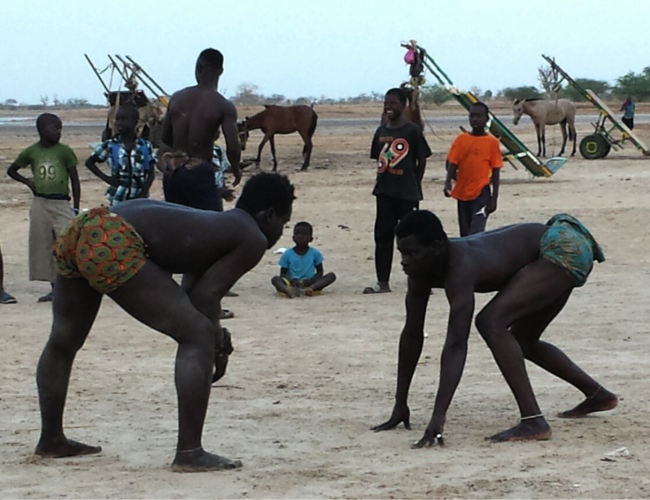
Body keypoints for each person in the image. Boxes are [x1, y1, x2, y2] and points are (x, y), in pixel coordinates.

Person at [34, 172, 295, 472]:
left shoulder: (215, 223)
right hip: (112, 237)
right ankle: (190, 452)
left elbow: (191, 297)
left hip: (83, 227)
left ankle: (51, 439)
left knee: (64, 340)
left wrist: (217, 337)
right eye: (283, 224)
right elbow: (205, 302)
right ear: (269, 215)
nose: (280, 232)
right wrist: (214, 342)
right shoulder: (252, 237)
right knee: (197, 336)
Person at [372, 210, 618, 445]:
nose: (404, 261)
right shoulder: (419, 271)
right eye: (402, 253)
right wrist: (400, 402)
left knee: (491, 322)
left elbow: (457, 343)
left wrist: (438, 416)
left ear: (435, 248)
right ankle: (598, 395)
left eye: (412, 253)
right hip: (557, 247)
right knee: (523, 339)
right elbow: (412, 334)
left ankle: (534, 421)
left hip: (562, 248)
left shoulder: (461, 266)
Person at [364, 88, 431, 294]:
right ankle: (382, 282)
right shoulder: (381, 131)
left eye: (393, 103)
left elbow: (422, 160)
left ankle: (420, 281)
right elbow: (379, 159)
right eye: (386, 103)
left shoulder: (412, 131)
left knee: (412, 237)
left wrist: (414, 183)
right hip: (384, 192)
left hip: (407, 193)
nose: (389, 107)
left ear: (403, 105)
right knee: (382, 236)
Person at [7, 113, 80, 302]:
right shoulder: (31, 152)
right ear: (41, 130)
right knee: (45, 245)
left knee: (68, 244)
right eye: (54, 129)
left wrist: (76, 206)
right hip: (40, 203)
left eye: (60, 129)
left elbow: (74, 179)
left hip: (62, 202)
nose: (58, 133)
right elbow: (12, 170)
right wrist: (28, 182)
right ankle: (55, 288)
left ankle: (72, 286)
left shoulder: (65, 151)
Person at [160, 48, 242, 211]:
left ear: (198, 68)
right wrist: (236, 168)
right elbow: (233, 147)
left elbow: (165, 136)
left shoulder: (177, 98)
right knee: (211, 225)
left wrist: (180, 150)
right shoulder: (223, 105)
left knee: (177, 223)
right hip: (199, 171)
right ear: (221, 71)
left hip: (173, 170)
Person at [444, 101, 502, 237]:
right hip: (462, 192)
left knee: (476, 233)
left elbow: (496, 171)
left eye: (479, 116)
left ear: (486, 119)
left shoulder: (492, 143)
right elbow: (452, 163)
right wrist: (448, 182)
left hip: (481, 193)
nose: (475, 119)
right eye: (472, 116)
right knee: (464, 233)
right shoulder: (461, 140)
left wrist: (494, 198)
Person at [85, 105, 156, 206]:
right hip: (118, 197)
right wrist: (107, 179)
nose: (119, 123)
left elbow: (151, 173)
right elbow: (89, 162)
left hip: (140, 198)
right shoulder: (110, 145)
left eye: (124, 119)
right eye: (117, 119)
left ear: (135, 122)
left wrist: (143, 193)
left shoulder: (145, 146)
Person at [271, 221, 336, 297]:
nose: (300, 236)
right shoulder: (287, 254)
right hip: (292, 283)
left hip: (310, 282)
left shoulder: (315, 253)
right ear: (293, 237)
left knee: (331, 276)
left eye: (305, 234)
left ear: (311, 239)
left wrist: (312, 280)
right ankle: (288, 290)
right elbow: (283, 273)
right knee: (275, 279)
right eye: (297, 233)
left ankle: (310, 289)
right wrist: (291, 280)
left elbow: (320, 272)